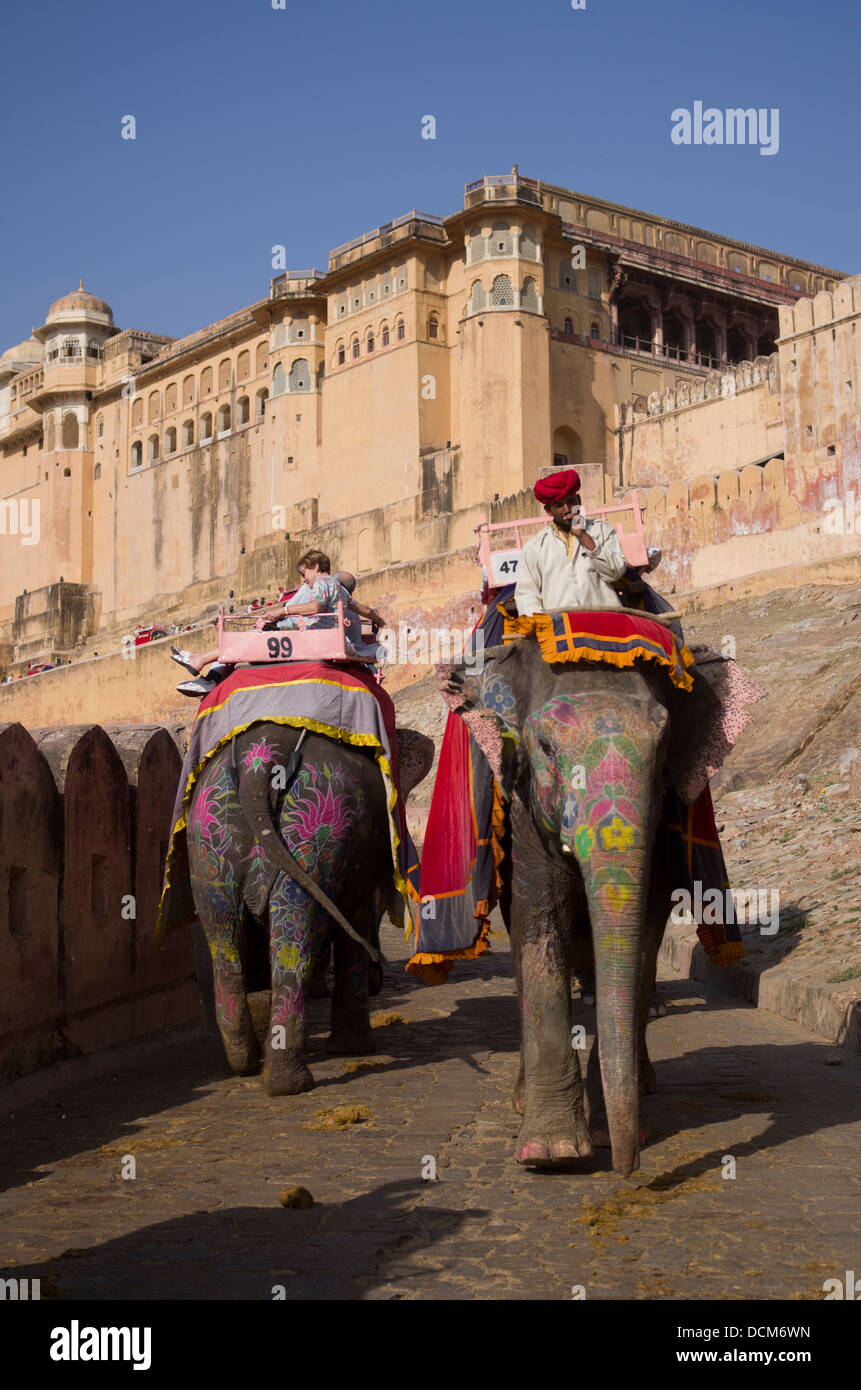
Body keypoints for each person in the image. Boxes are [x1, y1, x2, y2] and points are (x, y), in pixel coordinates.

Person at [170, 550, 339, 697]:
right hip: (311, 633)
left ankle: (202, 663)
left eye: (304, 574)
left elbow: (313, 608)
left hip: (309, 637)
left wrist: (281, 613)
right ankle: (205, 669)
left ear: (316, 567)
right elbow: (352, 607)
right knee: (249, 639)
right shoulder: (334, 586)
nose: (304, 580)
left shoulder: (320, 583)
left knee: (249, 640)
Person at [513, 468, 628, 616]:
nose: (567, 509)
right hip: (561, 632)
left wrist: (584, 536)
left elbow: (615, 572)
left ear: (579, 501)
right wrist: (544, 626)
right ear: (548, 510)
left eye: (571, 502)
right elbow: (526, 595)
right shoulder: (536, 547)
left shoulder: (600, 531)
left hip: (604, 626)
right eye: (559, 505)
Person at [334, 570, 385, 660]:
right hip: (347, 647)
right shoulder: (341, 593)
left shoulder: (325, 591)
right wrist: (378, 620)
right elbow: (366, 611)